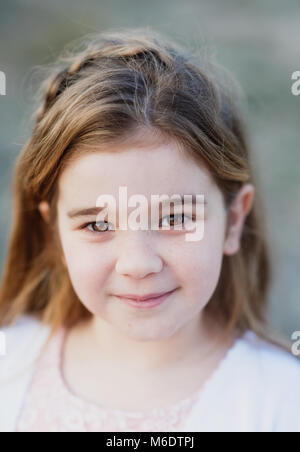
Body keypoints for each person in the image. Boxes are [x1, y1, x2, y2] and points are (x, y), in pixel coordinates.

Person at [0, 27, 299, 432]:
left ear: (233, 221)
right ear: (55, 233)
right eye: (98, 224)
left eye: (175, 219)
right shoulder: (10, 362)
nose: (138, 264)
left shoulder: (282, 401)